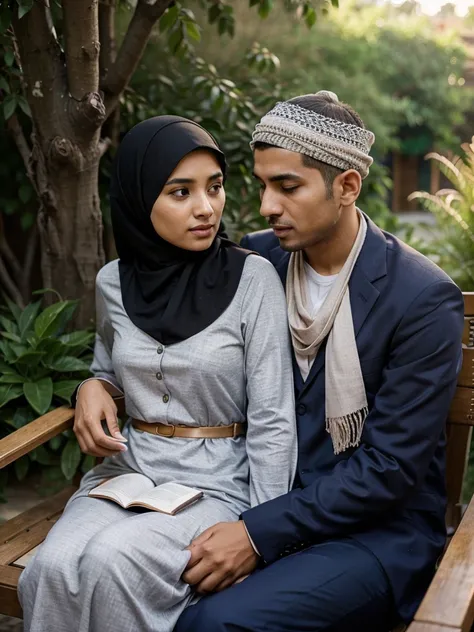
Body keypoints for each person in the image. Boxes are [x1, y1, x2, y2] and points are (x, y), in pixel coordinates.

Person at [174, 91, 465, 632]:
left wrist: (258, 534)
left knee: (212, 624)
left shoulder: (421, 298)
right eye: (262, 184)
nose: (266, 205)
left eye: (287, 186)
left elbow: (390, 470)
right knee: (123, 575)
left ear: (347, 186)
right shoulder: (257, 260)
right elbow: (166, 323)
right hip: (253, 493)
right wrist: (96, 383)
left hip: (375, 536)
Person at [18, 115, 297, 632]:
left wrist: (262, 535)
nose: (205, 208)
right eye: (180, 192)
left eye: (214, 188)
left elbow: (275, 418)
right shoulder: (113, 283)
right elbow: (109, 370)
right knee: (50, 569)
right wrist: (91, 387)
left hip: (219, 485)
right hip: (126, 473)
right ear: (140, 198)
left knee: (114, 564)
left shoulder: (252, 278)